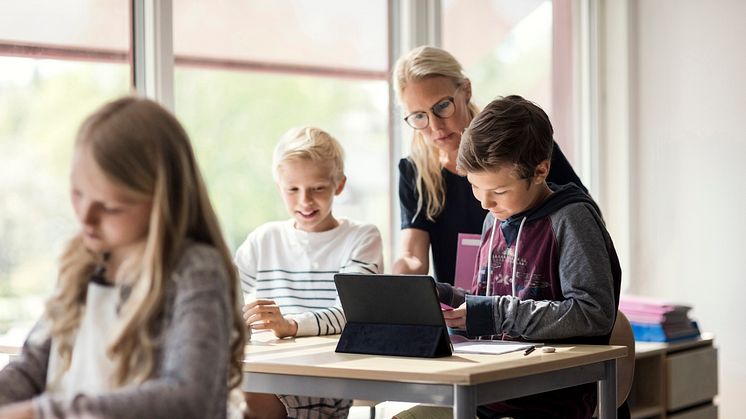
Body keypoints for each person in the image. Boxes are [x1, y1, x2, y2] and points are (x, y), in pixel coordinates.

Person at [0, 97, 247, 419]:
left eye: (110, 206)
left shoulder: (195, 270)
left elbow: (189, 398)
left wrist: (39, 413)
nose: (85, 218)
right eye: (77, 193)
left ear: (162, 201)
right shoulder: (82, 262)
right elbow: (32, 369)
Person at [397, 96, 621, 419]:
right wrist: (448, 297)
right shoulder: (496, 219)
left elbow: (593, 313)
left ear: (540, 170)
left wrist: (493, 313)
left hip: (546, 400)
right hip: (487, 392)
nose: (485, 203)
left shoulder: (572, 220)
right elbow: (493, 302)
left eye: (498, 191)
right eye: (475, 187)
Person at [392, 45, 587, 286]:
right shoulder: (415, 172)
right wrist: (398, 270)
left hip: (534, 299)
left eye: (442, 106)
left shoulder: (522, 142)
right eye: (419, 116)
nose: (435, 126)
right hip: (462, 309)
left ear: (466, 90)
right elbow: (413, 256)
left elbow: (583, 222)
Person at [235, 126, 384, 419]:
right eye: (293, 189)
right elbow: (221, 296)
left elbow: (352, 314)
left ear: (339, 185)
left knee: (239, 404)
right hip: (265, 370)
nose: (305, 200)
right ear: (280, 187)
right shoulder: (263, 238)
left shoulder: (362, 238)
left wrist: (289, 325)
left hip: (325, 380)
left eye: (317, 188)